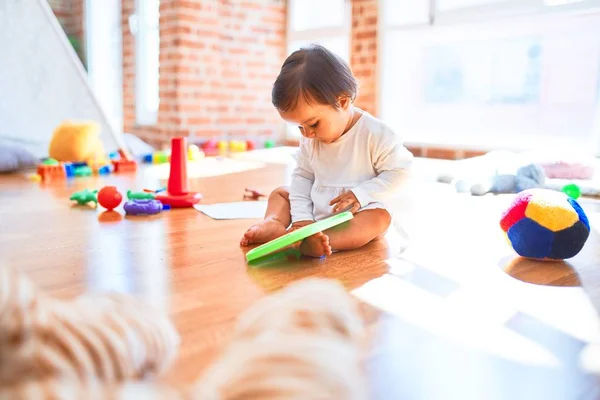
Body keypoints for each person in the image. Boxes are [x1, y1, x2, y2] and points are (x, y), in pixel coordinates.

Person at [240, 44, 413, 257]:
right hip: (316, 206)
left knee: (378, 218)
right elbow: (303, 176)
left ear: (342, 102)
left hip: (356, 212)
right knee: (280, 193)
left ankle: (324, 240)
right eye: (300, 127)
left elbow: (402, 173)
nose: (307, 134)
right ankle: (274, 223)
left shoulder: (376, 134)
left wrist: (362, 194)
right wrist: (303, 219)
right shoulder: (309, 139)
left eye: (313, 124)